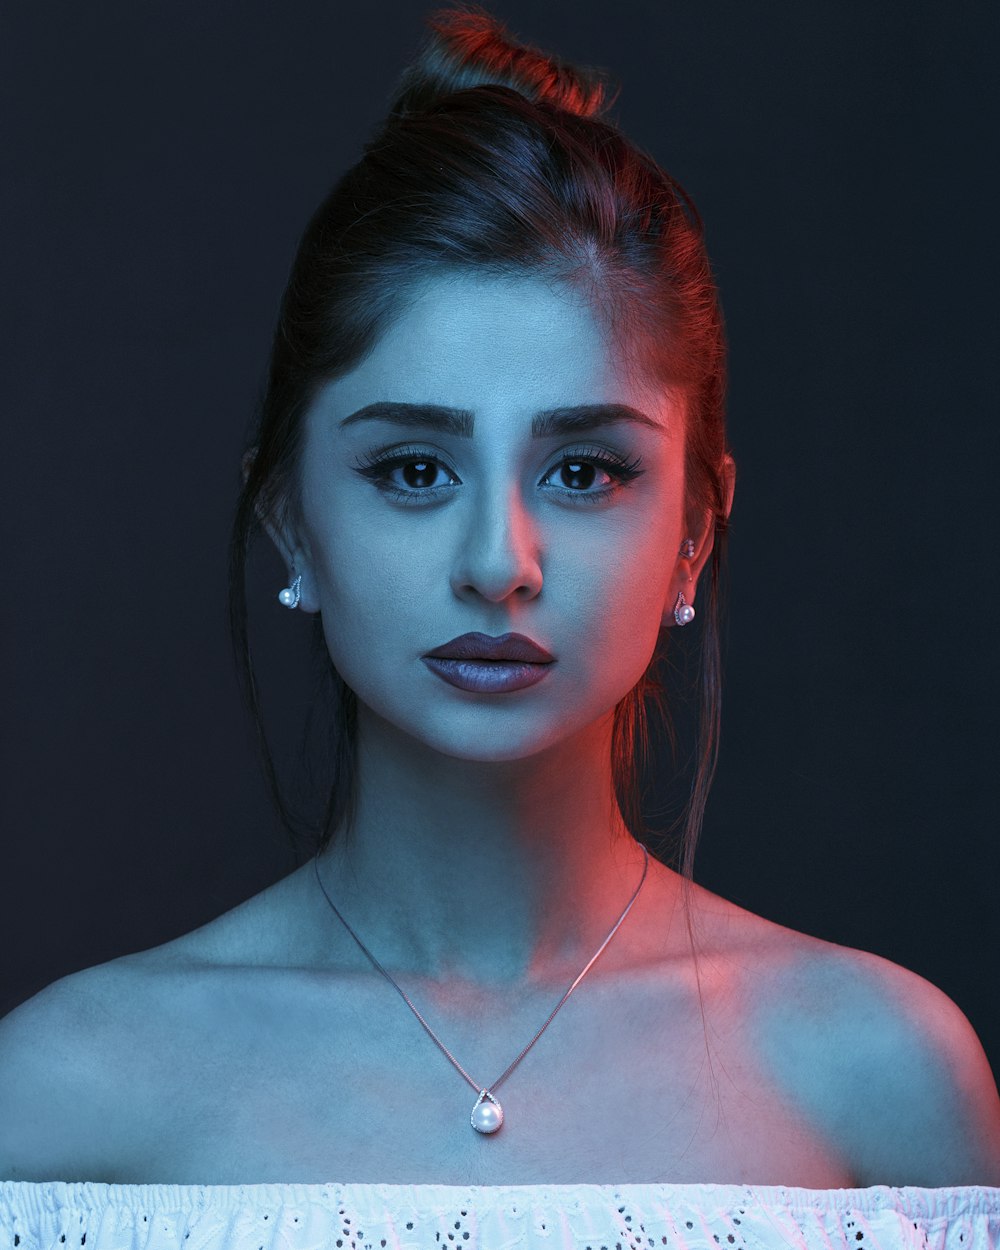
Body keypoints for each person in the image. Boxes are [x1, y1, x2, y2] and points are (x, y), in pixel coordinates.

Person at [1, 4, 998, 1246]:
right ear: (292, 521)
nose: (498, 563)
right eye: (414, 469)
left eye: (583, 472)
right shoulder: (60, 1098)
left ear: (695, 526)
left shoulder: (880, 1074)